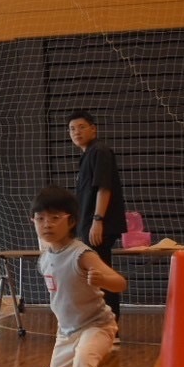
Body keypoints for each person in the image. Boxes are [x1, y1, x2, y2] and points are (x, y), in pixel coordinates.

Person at [32, 186, 126, 367]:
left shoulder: (81, 254)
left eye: (54, 218)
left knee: (84, 360)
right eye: (40, 219)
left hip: (98, 325)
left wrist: (102, 278)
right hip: (67, 331)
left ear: (71, 221)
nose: (46, 224)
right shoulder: (45, 257)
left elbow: (119, 282)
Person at [67, 111, 127, 328]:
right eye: (72, 129)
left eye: (82, 127)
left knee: (102, 275)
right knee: (94, 276)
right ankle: (100, 325)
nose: (77, 132)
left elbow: (104, 188)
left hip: (98, 226)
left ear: (94, 128)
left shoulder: (100, 151)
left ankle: (110, 328)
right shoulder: (87, 155)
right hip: (89, 226)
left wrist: (98, 220)